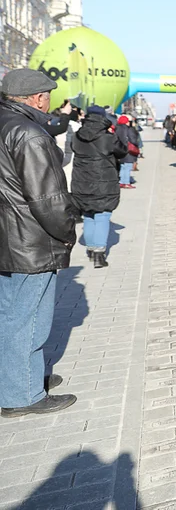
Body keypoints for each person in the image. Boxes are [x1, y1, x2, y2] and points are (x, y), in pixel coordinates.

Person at [0, 69, 78, 418]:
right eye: (48, 94)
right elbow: (47, 197)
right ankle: (23, 394)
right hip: (29, 239)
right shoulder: (29, 134)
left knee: (9, 314)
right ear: (36, 98)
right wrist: (67, 231)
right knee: (29, 317)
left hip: (8, 235)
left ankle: (17, 378)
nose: (50, 101)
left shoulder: (6, 124)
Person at [71, 106, 129, 269]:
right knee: (102, 215)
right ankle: (99, 254)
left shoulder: (77, 136)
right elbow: (122, 151)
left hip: (82, 181)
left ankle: (90, 250)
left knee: (88, 214)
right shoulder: (107, 137)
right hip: (104, 181)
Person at [115, 115, 140, 189]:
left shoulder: (117, 129)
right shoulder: (129, 129)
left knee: (123, 166)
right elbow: (133, 140)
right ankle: (126, 182)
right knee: (128, 167)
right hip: (128, 151)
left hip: (120, 150)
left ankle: (122, 182)